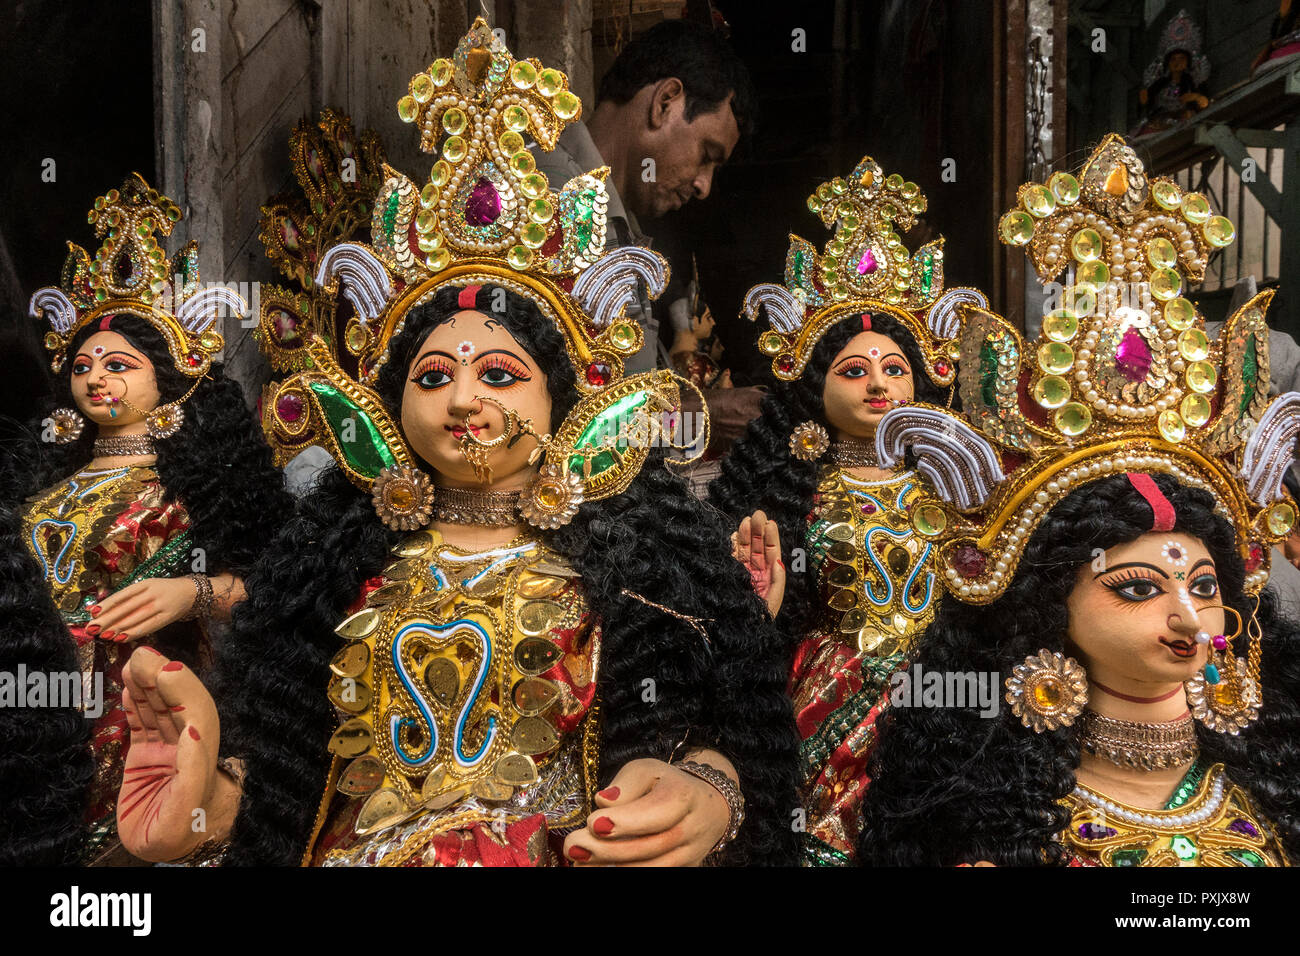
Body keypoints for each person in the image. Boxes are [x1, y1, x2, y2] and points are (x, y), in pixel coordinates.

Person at [111, 20, 800, 868]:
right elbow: (282, 792)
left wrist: (713, 790)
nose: (465, 396)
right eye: (433, 377)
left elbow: (730, 722)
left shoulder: (640, 562)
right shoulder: (334, 562)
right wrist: (195, 803)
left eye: (502, 376)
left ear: (567, 398)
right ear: (392, 406)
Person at [860, 134, 1299, 866]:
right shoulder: (994, 819)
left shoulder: (1272, 780)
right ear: (1043, 604)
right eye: (1136, 587)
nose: (1188, 615)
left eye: (1203, 585)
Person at [710, 155, 987, 864]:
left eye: (894, 367)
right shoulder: (796, 486)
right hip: (827, 687)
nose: (877, 384)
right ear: (815, 385)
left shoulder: (949, 481)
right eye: (854, 370)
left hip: (937, 687)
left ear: (922, 378)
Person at [12, 174, 291, 863]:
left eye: (119, 364)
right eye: (82, 365)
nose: (96, 377)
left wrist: (191, 591)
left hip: (138, 701)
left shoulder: (200, 481)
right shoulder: (46, 485)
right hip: (34, 700)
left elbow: (280, 584)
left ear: (166, 376)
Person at [532, 18, 762, 485]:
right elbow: (567, 431)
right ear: (665, 102)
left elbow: (623, 399)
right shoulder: (551, 199)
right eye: (707, 155)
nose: (703, 186)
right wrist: (703, 417)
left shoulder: (618, 222)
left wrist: (693, 410)